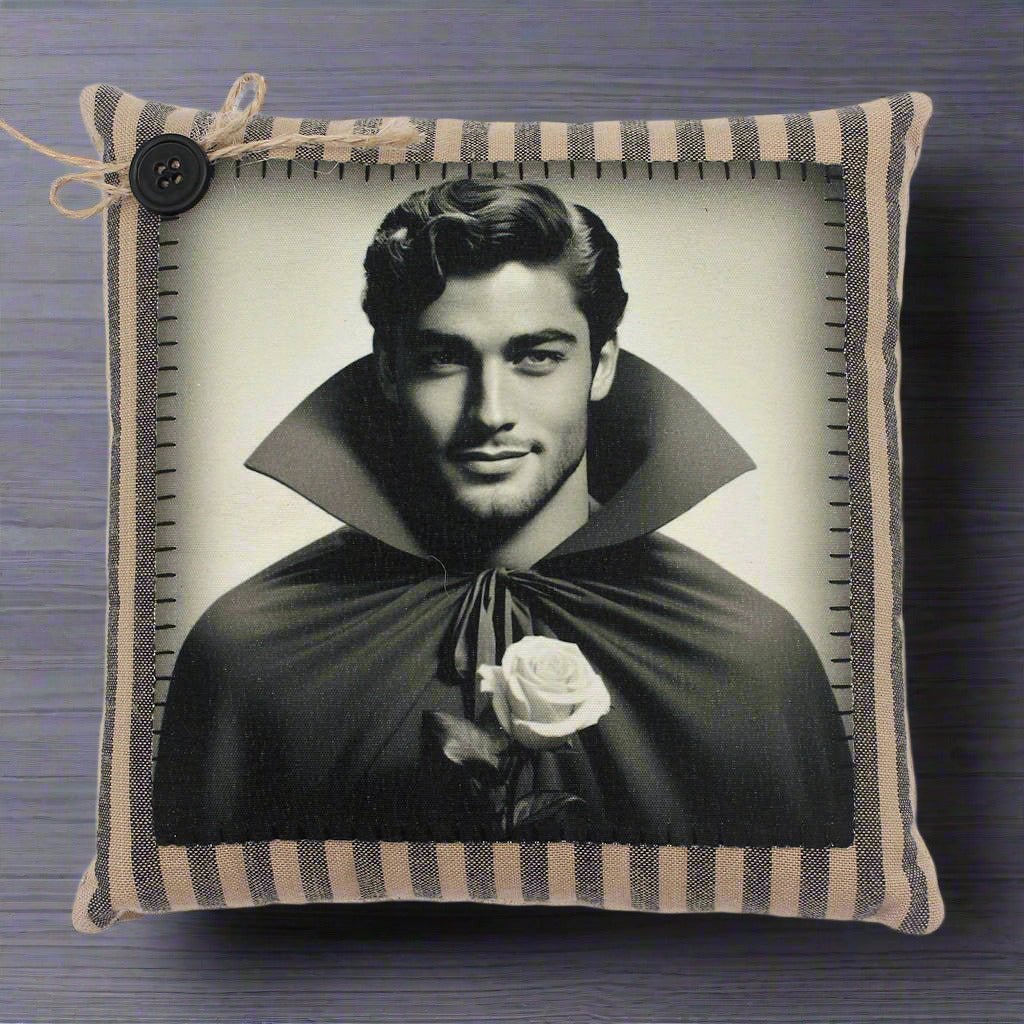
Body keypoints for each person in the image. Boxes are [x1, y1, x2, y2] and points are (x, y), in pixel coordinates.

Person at [151, 177, 854, 848]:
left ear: (602, 365)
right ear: (388, 370)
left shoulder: (752, 660)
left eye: (536, 357)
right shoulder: (247, 658)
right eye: (444, 360)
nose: (490, 413)